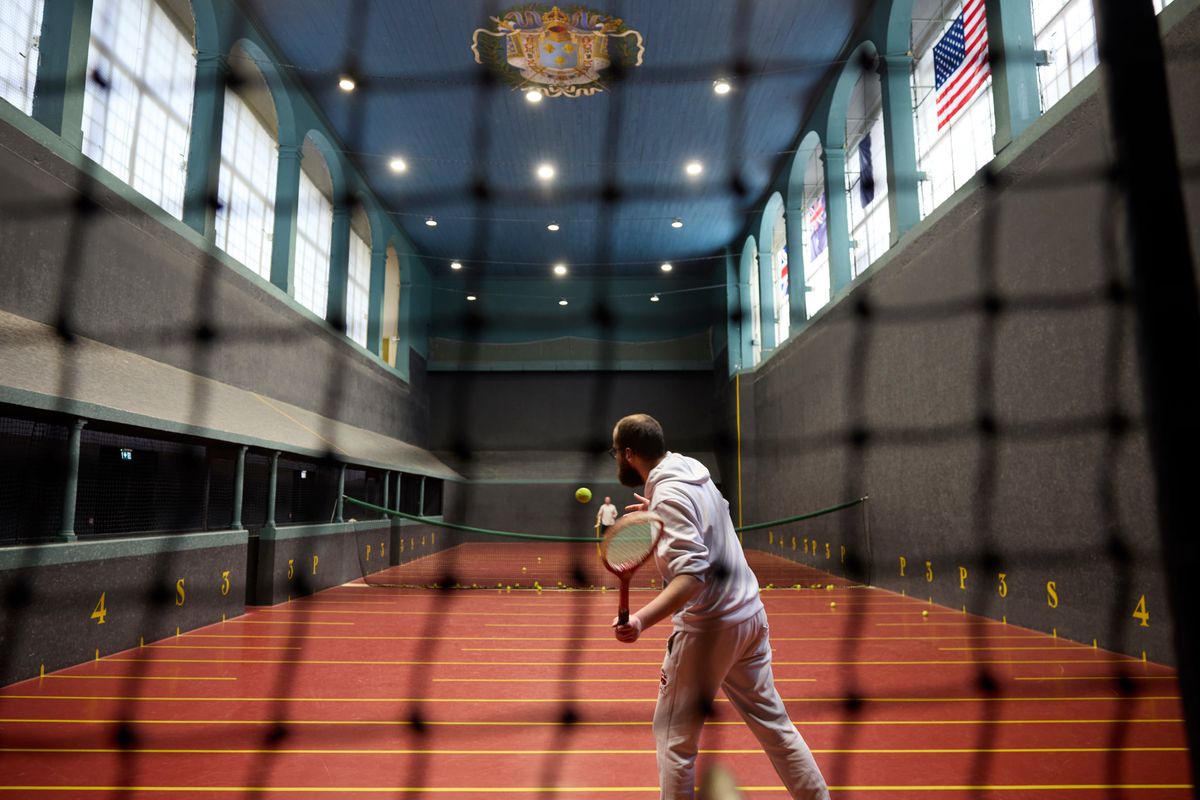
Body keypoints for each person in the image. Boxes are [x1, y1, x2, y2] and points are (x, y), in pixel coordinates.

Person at [609, 413, 829, 800]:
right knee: (775, 725)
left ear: (628, 454)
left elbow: (692, 576)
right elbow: (712, 515)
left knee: (674, 738)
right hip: (749, 617)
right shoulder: (693, 472)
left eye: (615, 452)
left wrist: (641, 620)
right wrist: (658, 511)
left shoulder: (671, 494)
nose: (615, 458)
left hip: (709, 630)